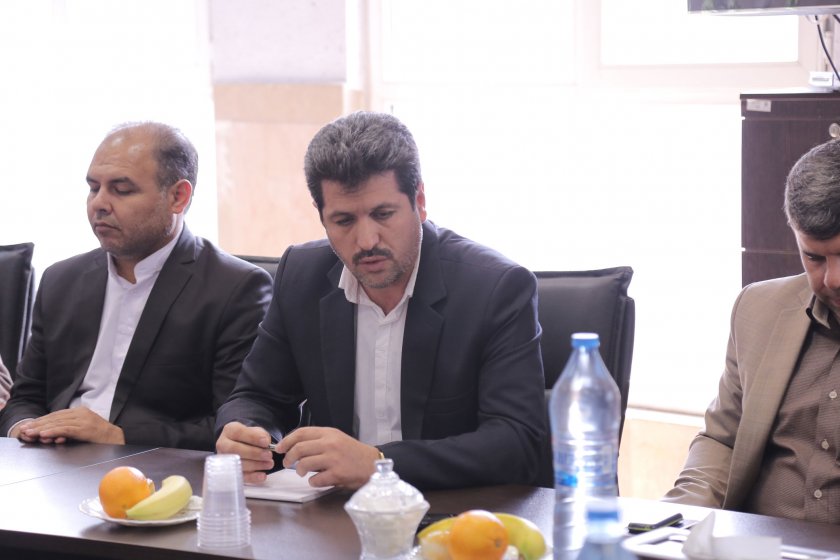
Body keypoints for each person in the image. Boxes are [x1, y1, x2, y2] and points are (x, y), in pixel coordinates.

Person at [215, 111, 546, 490]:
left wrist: (379, 463)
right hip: (332, 510)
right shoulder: (302, 276)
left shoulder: (495, 288)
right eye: (344, 220)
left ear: (419, 201)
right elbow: (257, 396)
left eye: (383, 214)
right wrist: (245, 432)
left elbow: (518, 444)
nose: (367, 240)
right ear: (322, 217)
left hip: (454, 512)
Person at [0, 122, 272, 451]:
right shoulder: (62, 280)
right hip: (50, 459)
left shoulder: (235, 288)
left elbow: (235, 429)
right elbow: (25, 398)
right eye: (93, 188)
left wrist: (118, 436)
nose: (99, 204)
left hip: (154, 470)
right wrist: (26, 428)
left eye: (121, 190)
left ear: (178, 196)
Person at [665, 138, 840, 522]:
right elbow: (721, 440)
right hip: (754, 543)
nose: (832, 279)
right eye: (814, 257)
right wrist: (675, 524)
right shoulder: (758, 309)